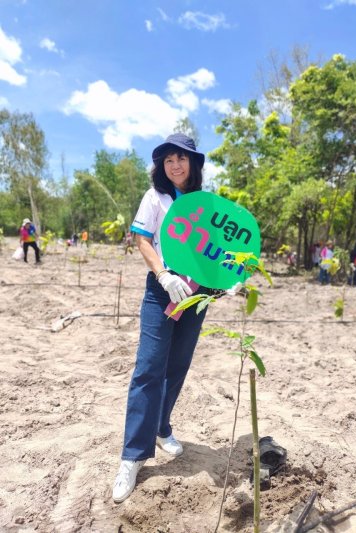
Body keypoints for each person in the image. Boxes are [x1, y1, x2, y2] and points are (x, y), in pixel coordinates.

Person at [113, 133, 209, 503]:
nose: (175, 165)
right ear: (161, 166)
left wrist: (224, 282)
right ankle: (132, 456)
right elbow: (142, 240)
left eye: (181, 158)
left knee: (178, 365)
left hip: (196, 294)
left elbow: (215, 250)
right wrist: (164, 276)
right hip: (162, 291)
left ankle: (161, 426)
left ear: (193, 163)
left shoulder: (204, 203)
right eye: (168, 160)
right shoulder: (156, 198)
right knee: (149, 368)